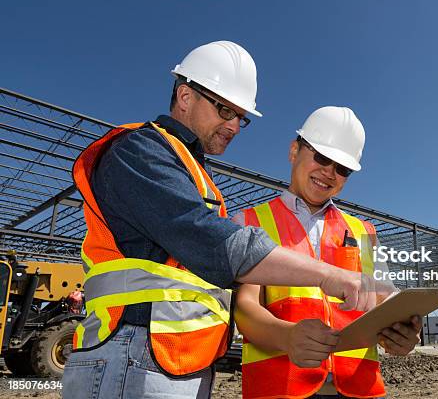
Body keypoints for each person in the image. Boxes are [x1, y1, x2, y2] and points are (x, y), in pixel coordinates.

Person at [62, 42, 378, 399]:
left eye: (240, 117)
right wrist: (329, 276)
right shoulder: (141, 151)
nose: (234, 126)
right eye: (225, 110)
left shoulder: (194, 172)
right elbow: (212, 242)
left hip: (174, 358)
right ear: (184, 96)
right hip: (133, 350)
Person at [234, 106, 422, 399]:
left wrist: (400, 333)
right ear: (294, 151)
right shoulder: (251, 222)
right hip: (282, 387)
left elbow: (382, 299)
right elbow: (244, 308)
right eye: (321, 158)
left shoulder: (364, 232)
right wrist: (287, 337)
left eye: (342, 168)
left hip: (359, 388)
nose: (329, 173)